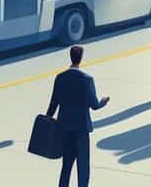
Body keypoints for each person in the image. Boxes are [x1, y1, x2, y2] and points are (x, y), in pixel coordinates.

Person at [46, 45, 109, 187]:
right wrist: (103, 102)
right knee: (83, 166)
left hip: (65, 128)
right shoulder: (87, 80)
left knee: (66, 166)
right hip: (81, 129)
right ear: (81, 58)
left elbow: (53, 104)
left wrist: (47, 120)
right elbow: (94, 105)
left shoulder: (60, 78)